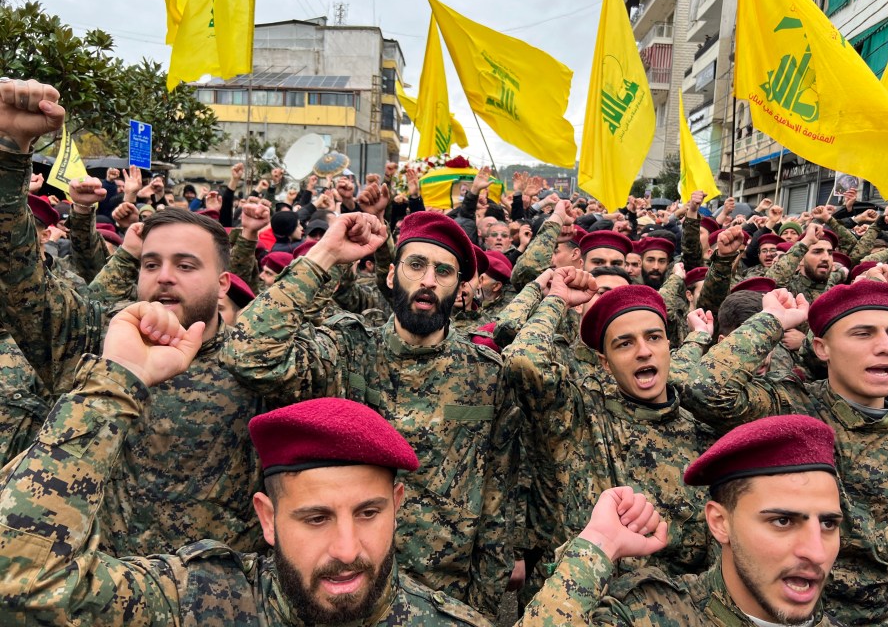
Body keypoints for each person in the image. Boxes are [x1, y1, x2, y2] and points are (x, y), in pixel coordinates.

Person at [0, 301, 490, 626]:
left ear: (397, 505)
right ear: (268, 518)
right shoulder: (197, 602)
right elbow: (26, 586)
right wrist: (116, 383)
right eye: (315, 517)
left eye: (369, 513)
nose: (346, 549)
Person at [0, 78, 265, 556]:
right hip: (109, 595)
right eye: (150, 263)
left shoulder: (264, 364)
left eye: (186, 265)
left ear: (224, 284)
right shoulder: (98, 341)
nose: (164, 277)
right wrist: (9, 150)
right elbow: (20, 278)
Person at [224, 210, 516, 619]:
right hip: (336, 581)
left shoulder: (487, 374)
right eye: (416, 265)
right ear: (393, 275)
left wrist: (478, 609)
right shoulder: (347, 349)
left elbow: (496, 501)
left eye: (443, 271)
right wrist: (326, 254)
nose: (428, 280)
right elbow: (248, 355)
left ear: (459, 286)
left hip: (438, 595)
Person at [518, 414, 888, 626]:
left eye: (828, 524)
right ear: (719, 523)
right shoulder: (654, 616)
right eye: (782, 522)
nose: (815, 551)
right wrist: (598, 543)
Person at [682, 282, 888, 624]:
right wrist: (772, 320)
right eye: (863, 334)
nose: (884, 347)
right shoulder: (788, 406)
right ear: (822, 348)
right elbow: (706, 390)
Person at [502, 275, 716, 605]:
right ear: (605, 362)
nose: (644, 352)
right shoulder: (579, 416)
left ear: (669, 348)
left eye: (654, 338)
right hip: (583, 609)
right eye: (624, 343)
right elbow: (523, 360)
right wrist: (557, 299)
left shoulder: (703, 428)